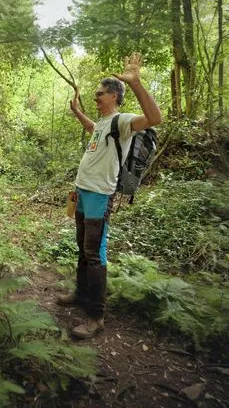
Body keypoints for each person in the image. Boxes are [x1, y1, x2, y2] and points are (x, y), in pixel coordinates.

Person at [58, 53, 162, 339]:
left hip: (99, 196)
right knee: (82, 247)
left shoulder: (123, 121)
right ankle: (81, 294)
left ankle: (95, 317)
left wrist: (137, 84)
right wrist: (77, 112)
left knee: (95, 254)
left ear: (115, 95)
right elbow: (93, 129)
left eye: (100, 93)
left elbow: (155, 118)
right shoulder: (103, 123)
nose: (96, 97)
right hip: (82, 192)